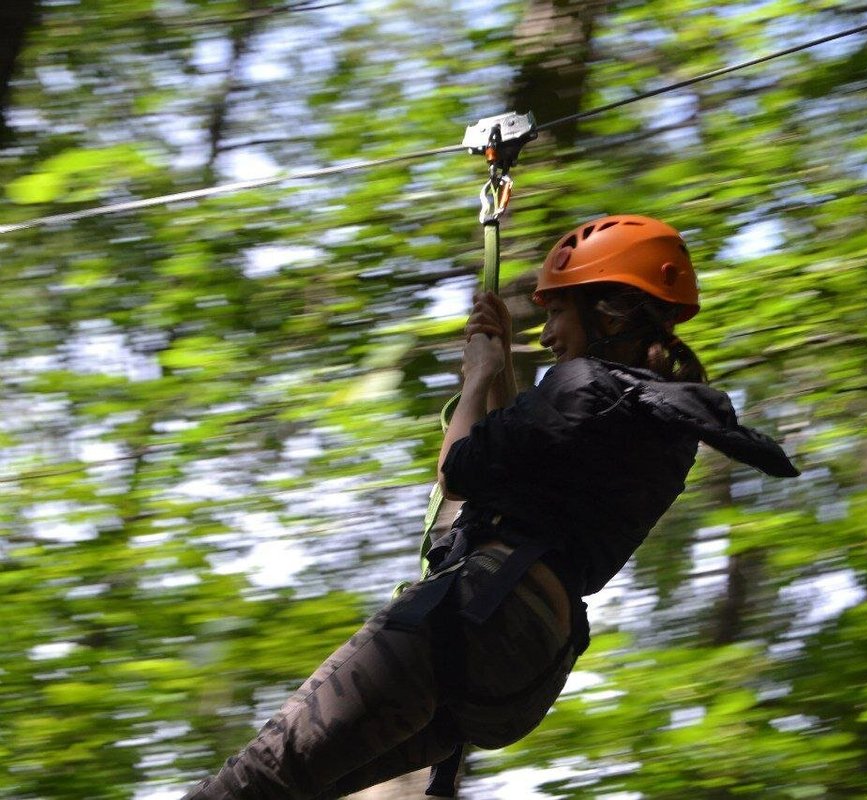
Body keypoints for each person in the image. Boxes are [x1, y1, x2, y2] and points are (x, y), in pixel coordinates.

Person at [183, 214, 798, 799]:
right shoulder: (663, 419)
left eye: (557, 310)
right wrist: (502, 364)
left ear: (606, 310)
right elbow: (529, 471)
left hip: (476, 612)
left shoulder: (581, 384)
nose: (548, 333)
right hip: (525, 670)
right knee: (295, 788)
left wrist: (477, 376)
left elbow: (460, 475)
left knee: (262, 774)